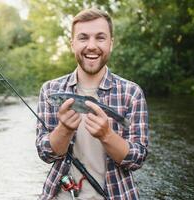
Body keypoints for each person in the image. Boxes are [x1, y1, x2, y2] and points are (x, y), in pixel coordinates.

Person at [36, 8, 149, 200]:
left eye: (100, 37)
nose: (91, 45)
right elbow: (45, 154)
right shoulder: (50, 91)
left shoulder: (132, 93)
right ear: (72, 44)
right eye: (83, 38)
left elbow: (137, 159)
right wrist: (64, 129)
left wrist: (107, 135)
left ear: (111, 44)